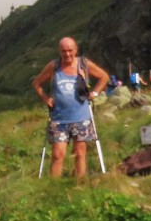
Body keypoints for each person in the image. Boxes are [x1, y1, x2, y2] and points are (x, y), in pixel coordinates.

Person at [32, 37, 109, 179]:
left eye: (70, 50)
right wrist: (45, 98)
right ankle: (53, 187)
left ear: (76, 50)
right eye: (63, 51)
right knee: (57, 155)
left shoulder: (84, 64)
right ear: (59, 51)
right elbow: (37, 83)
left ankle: (80, 185)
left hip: (81, 117)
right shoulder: (54, 66)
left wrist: (95, 93)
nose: (67, 54)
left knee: (80, 152)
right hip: (59, 119)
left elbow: (104, 77)